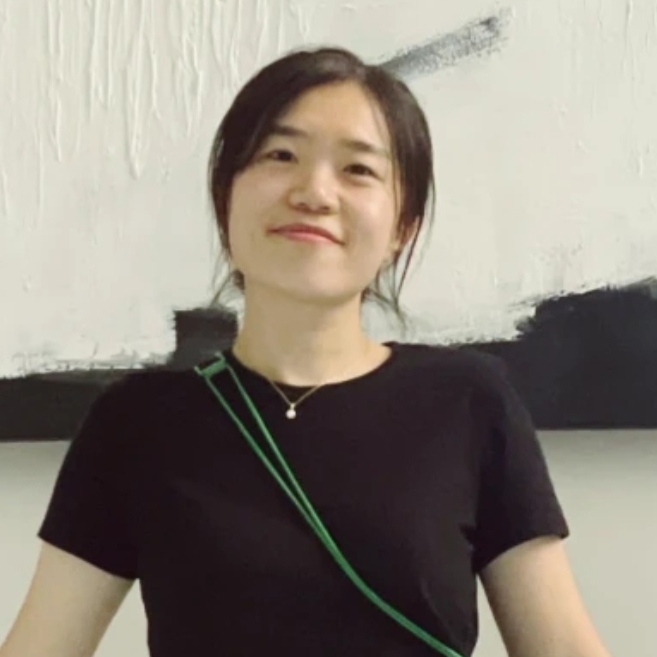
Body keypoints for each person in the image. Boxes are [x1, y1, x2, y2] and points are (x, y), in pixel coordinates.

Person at [0, 47, 611, 657]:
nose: (315, 192)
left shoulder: (470, 401)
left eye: (358, 169)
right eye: (280, 156)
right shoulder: (136, 422)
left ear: (402, 229)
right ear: (225, 198)